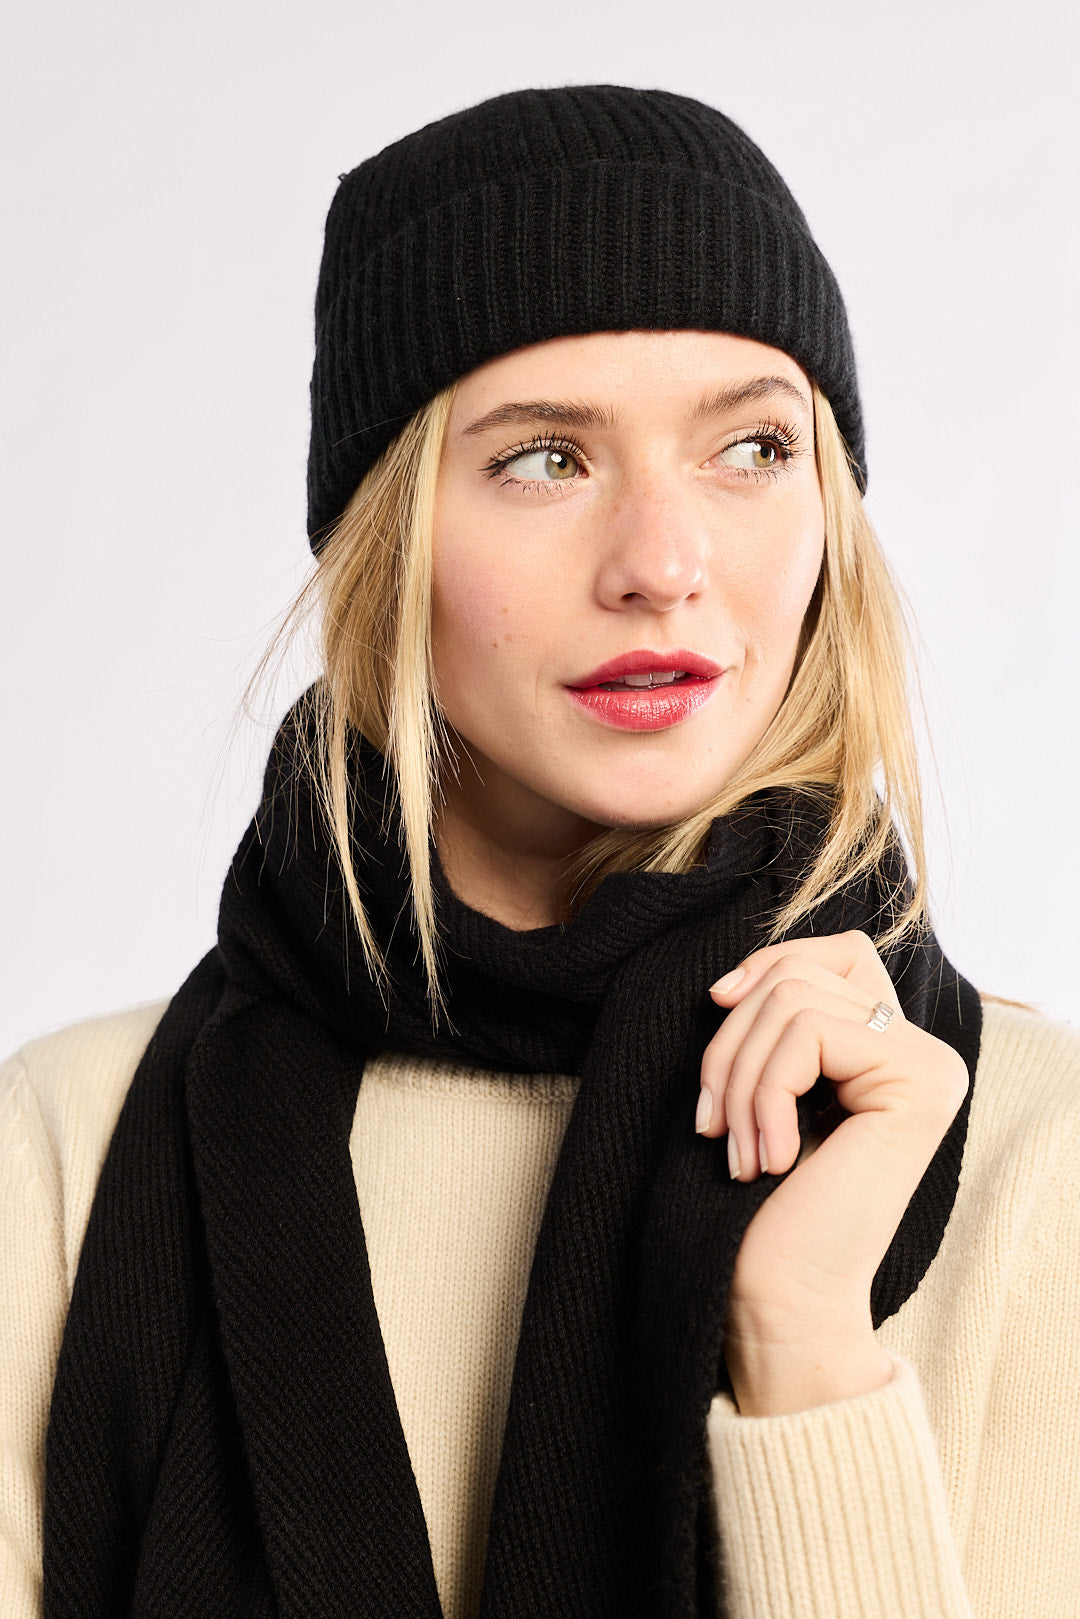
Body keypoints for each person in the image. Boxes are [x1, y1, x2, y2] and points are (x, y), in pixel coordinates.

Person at [2, 83, 1078, 1619]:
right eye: (543, 461)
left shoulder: (1034, 1150)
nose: (661, 564)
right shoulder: (74, 1146)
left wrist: (802, 1352)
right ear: (387, 540)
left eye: (753, 447)